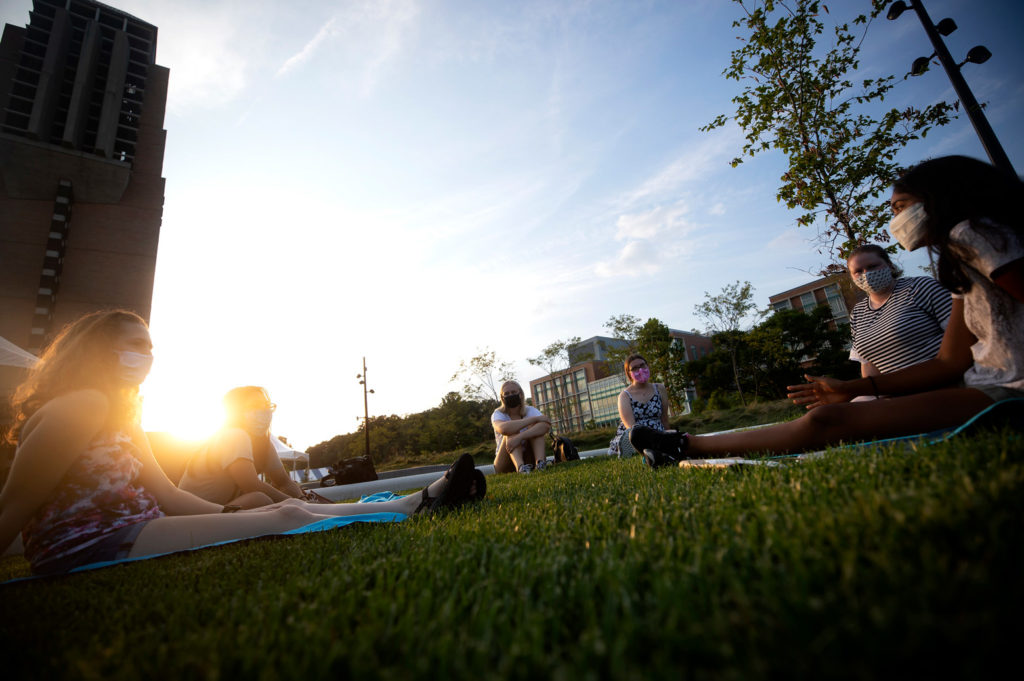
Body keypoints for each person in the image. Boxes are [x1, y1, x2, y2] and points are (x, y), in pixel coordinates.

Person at [0, 310, 482, 575]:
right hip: (85, 545)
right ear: (93, 350)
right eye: (132, 345)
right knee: (286, 516)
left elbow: (166, 495)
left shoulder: (123, 414)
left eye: (149, 347)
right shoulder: (80, 405)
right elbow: (15, 504)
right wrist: (253, 510)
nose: (144, 356)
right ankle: (417, 505)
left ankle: (417, 499)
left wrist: (238, 515)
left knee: (283, 513)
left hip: (137, 525)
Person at [631, 155, 1024, 465]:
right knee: (827, 418)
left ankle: (682, 446)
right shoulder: (957, 269)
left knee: (828, 422)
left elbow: (946, 367)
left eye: (901, 206)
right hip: (980, 387)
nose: (896, 220)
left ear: (940, 197)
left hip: (1006, 393)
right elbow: (950, 362)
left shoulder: (970, 235)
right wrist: (853, 389)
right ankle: (682, 445)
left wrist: (857, 393)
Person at [846, 244, 952, 398]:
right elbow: (867, 363)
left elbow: (961, 332)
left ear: (890, 265)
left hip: (938, 382)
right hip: (893, 392)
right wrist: (875, 394)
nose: (866, 274)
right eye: (858, 271)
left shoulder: (921, 287)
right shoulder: (857, 313)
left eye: (872, 266)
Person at [178, 386, 307, 508]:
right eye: (254, 406)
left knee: (261, 499)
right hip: (195, 513)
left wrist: (303, 499)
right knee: (260, 500)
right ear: (236, 412)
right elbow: (251, 485)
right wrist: (298, 504)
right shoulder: (234, 435)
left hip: (222, 509)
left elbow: (284, 482)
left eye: (267, 406)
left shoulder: (263, 444)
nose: (264, 412)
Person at [607, 353, 671, 457]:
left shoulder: (660, 388)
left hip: (657, 432)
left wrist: (669, 436)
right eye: (635, 368)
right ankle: (630, 449)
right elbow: (631, 426)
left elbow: (664, 419)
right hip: (635, 434)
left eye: (642, 365)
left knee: (667, 439)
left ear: (647, 366)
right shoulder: (624, 396)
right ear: (629, 373)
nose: (640, 370)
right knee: (635, 434)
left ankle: (652, 446)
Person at [491, 381, 551, 473]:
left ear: (521, 394)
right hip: (504, 461)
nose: (510, 395)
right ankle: (521, 468)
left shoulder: (530, 410)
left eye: (513, 392)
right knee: (511, 430)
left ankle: (540, 464)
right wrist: (534, 420)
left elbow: (546, 425)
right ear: (502, 398)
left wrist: (520, 437)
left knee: (535, 428)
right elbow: (504, 428)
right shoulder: (498, 413)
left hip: (528, 457)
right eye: (506, 393)